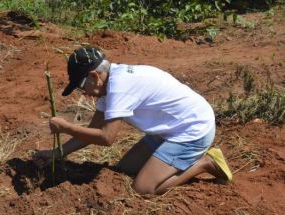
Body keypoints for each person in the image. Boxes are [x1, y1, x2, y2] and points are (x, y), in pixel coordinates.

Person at [33, 47, 232, 195]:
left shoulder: (120, 86)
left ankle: (206, 163)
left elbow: (106, 137)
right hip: (169, 129)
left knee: (143, 188)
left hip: (192, 129)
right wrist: (57, 154)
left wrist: (66, 127)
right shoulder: (108, 85)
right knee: (123, 171)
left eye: (82, 85)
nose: (84, 93)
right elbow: (93, 130)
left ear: (94, 75)